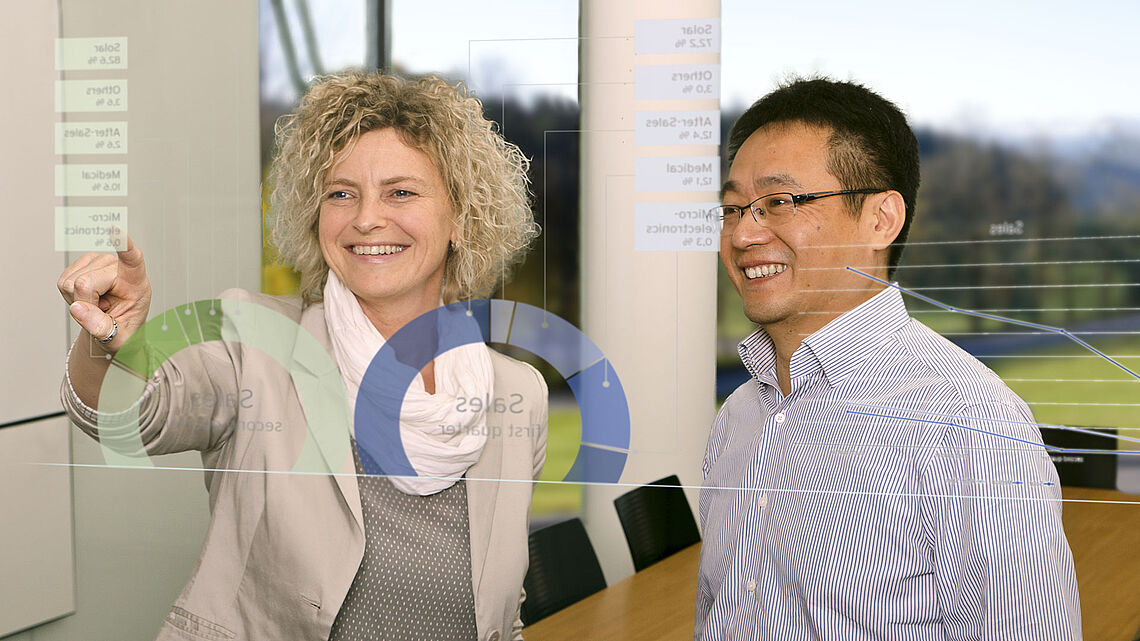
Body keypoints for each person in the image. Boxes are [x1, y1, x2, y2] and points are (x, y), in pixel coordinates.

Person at [58, 71, 546, 641]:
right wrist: (109, 338)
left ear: (462, 218)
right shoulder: (256, 344)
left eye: (401, 192)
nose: (366, 219)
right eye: (341, 193)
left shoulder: (517, 394)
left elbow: (500, 614)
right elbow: (131, 415)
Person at [695, 77, 1080, 640]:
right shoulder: (739, 416)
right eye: (732, 208)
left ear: (881, 220)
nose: (743, 233)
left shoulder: (971, 426)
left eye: (779, 202)